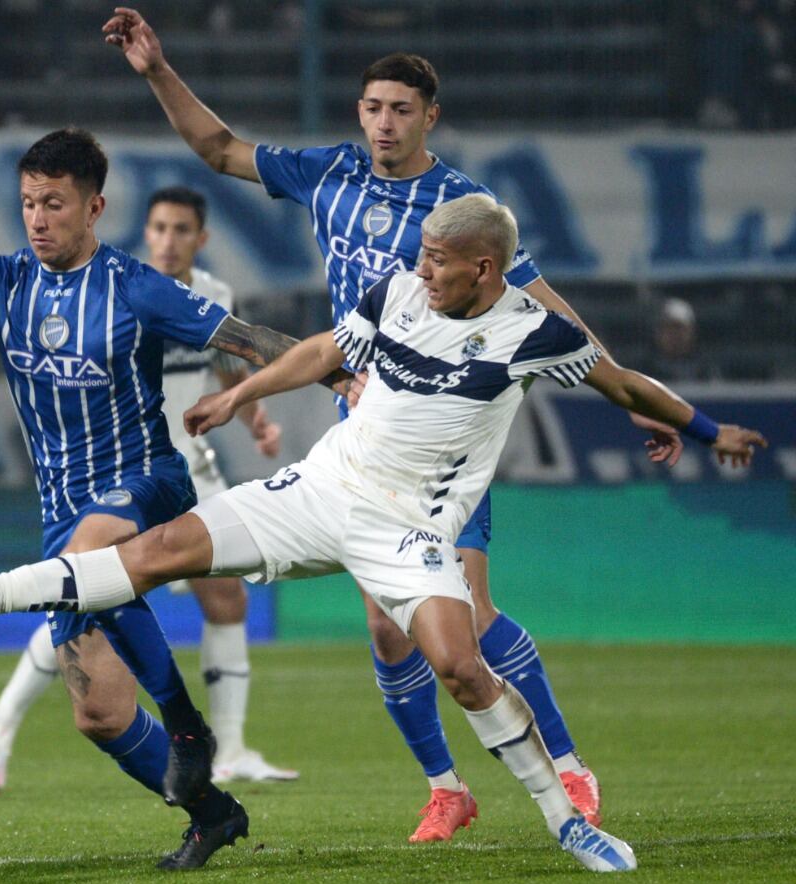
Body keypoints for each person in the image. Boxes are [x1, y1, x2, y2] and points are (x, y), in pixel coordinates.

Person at [0, 195, 767, 873]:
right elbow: (324, 349)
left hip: (409, 529)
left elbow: (623, 384)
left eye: (438, 260)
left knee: (460, 666)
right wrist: (242, 393)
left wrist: (704, 429)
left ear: (486, 267)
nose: (421, 270)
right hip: (321, 485)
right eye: (420, 255)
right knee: (154, 555)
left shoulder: (535, 333)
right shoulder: (402, 295)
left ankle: (566, 820)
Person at [101, 8, 685, 840]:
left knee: (469, 615)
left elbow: (546, 311)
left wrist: (631, 396)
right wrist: (157, 68)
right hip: (366, 435)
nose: (383, 122)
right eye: (373, 107)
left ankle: (568, 768)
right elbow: (220, 150)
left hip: (446, 430)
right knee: (383, 623)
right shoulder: (328, 172)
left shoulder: (463, 207)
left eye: (401, 109)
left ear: (429, 117)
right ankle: (447, 787)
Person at [0, 129, 353, 869]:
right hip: (63, 512)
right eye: (28, 203)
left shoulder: (135, 285)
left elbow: (245, 340)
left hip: (145, 479)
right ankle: (211, 813)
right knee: (100, 713)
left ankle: (187, 723)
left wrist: (340, 373)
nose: (38, 218)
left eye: (54, 203)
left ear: (95, 207)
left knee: (94, 551)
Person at [0, 186, 295, 792]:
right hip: (123, 471)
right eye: (158, 228)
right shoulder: (117, 286)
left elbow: (227, 365)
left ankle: (229, 750)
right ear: (145, 232)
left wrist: (255, 419)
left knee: (222, 602)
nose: (167, 240)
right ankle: (1, 723)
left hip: (183, 470)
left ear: (201, 239)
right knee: (85, 592)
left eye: (180, 229)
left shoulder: (212, 297)